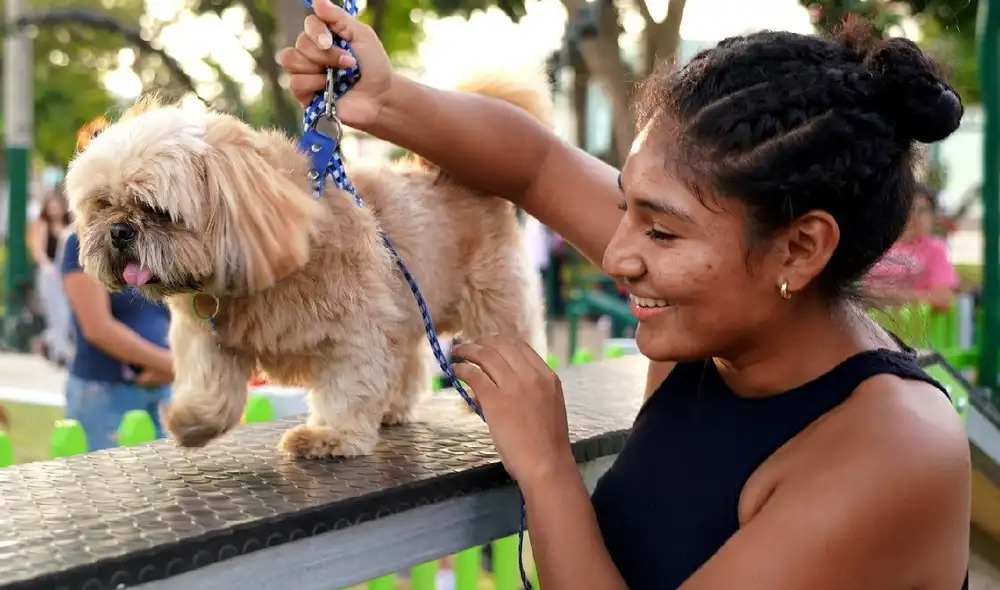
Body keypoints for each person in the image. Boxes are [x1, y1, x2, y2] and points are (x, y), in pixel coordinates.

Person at [282, 5, 970, 589]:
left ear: (798, 248)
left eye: (662, 232)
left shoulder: (892, 449)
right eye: (625, 208)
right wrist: (386, 101)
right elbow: (535, 163)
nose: (617, 253)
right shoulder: (724, 317)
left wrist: (548, 468)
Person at [60, 229, 174, 451]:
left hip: (159, 389)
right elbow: (98, 328)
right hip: (105, 393)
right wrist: (172, 365)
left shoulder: (156, 240)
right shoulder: (82, 240)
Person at [867, 184, 960, 312]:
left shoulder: (934, 249)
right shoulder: (877, 245)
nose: (913, 216)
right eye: (908, 209)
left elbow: (944, 297)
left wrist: (899, 296)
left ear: (933, 217)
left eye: (921, 210)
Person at [26, 188, 74, 365]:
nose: (54, 210)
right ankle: (58, 351)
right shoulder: (42, 225)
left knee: (67, 314)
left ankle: (53, 345)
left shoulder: (68, 227)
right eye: (51, 206)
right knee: (55, 313)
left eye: (57, 206)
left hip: (65, 275)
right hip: (50, 274)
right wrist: (47, 267)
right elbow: (38, 250)